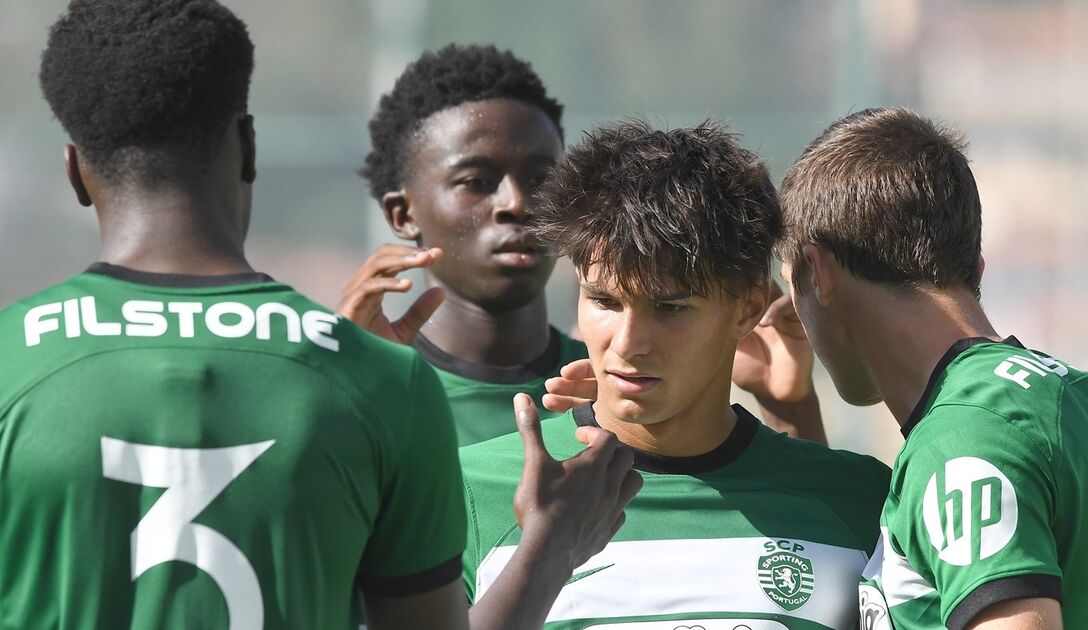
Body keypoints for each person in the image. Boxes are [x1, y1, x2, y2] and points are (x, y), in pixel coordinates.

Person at [0, 2, 635, 628]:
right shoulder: (376, 380)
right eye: (476, 179)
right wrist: (552, 547)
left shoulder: (11, 360)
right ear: (249, 148)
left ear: (75, 172)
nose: (514, 204)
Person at [459, 120, 889, 628]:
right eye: (603, 301)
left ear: (749, 307)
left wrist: (792, 409)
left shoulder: (861, 500)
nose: (627, 344)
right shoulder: (469, 491)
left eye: (670, 308)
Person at [776, 107, 1088, 630]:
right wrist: (792, 408)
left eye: (791, 285)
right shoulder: (1063, 391)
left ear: (819, 272)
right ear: (973, 268)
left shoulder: (963, 437)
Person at [341, 45, 827, 446]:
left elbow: (799, 516)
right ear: (402, 215)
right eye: (477, 181)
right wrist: (335, 395)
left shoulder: (624, 379)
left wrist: (789, 407)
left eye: (541, 178)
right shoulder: (360, 385)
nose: (517, 203)